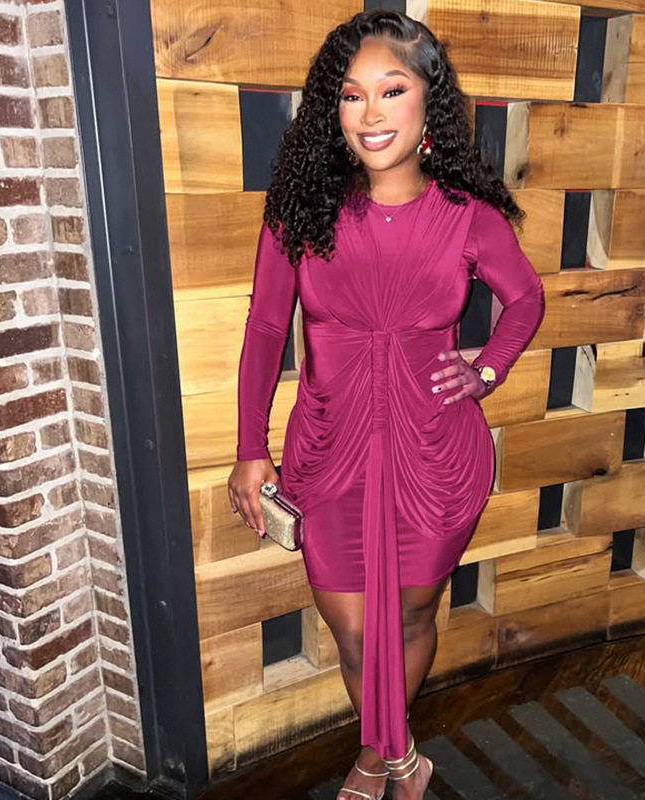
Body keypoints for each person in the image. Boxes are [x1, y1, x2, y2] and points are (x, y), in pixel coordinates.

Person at [228, 10, 546, 800]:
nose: (370, 113)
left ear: (428, 101)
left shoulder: (468, 215)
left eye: (391, 89)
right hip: (329, 452)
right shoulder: (300, 211)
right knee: (350, 630)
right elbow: (266, 327)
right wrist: (249, 448)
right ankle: (400, 754)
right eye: (350, 95)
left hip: (436, 455)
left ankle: (379, 758)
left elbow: (526, 299)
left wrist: (488, 370)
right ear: (331, 111)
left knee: (409, 619)